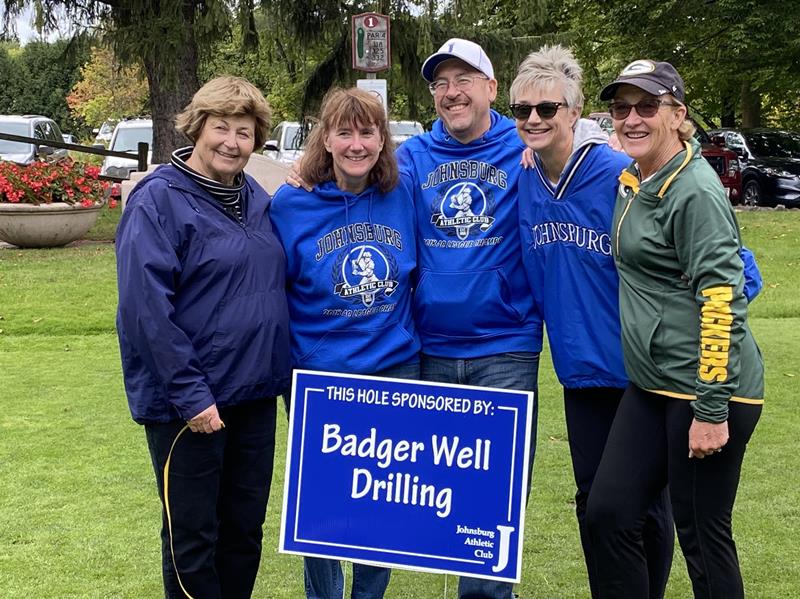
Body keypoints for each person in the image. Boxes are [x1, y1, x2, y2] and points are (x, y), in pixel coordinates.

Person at [585, 60, 764, 598]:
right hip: (652, 386)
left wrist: (710, 411)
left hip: (708, 389)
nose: (632, 118)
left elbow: (722, 298)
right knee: (608, 513)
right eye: (621, 108)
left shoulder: (695, 190)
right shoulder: (635, 178)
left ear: (678, 115)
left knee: (702, 538)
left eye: (647, 106)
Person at [115, 76, 290, 599]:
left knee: (243, 534)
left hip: (253, 397)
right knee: (193, 539)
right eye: (221, 128)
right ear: (198, 128)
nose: (232, 142)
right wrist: (192, 397)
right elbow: (146, 313)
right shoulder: (157, 202)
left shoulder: (256, 198)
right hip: (190, 407)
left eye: (244, 131)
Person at [511, 46, 674, 599]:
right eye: (523, 109)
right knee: (592, 503)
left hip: (639, 371)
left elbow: (717, 262)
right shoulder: (525, 178)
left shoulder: (617, 172)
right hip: (579, 373)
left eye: (548, 109)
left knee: (637, 506)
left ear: (574, 113)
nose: (534, 118)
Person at [396, 38, 542, 599]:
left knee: (491, 511)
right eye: (440, 83)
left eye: (463, 79)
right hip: (431, 348)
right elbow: (349, 179)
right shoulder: (412, 156)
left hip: (506, 347)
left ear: (491, 87)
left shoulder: (523, 143)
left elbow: (592, 164)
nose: (451, 92)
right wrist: (299, 177)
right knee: (444, 503)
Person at [269, 87, 420, 599]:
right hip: (320, 376)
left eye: (368, 131)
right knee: (326, 507)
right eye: (345, 132)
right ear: (325, 139)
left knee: (385, 500)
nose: (357, 144)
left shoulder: (404, 193)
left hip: (394, 369)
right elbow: (274, 290)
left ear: (383, 138)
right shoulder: (292, 203)